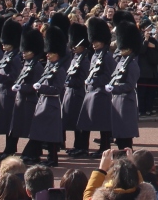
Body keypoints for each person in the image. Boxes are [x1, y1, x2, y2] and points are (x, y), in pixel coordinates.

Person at [21, 20, 68, 167]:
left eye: (51, 53)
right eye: (47, 52)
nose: (48, 55)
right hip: (43, 103)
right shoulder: (49, 67)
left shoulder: (59, 70)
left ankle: (53, 158)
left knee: (52, 135)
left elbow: (57, 89)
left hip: (52, 103)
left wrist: (40, 88)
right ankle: (35, 155)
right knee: (40, 132)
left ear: (58, 54)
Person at [77, 16, 114, 159]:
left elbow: (109, 76)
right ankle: (83, 147)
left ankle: (104, 148)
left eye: (97, 41)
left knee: (103, 125)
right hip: (92, 92)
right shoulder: (95, 55)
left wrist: (94, 80)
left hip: (102, 93)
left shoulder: (107, 56)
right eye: (93, 41)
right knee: (86, 122)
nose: (94, 44)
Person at [10, 27, 46, 161]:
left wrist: (22, 87)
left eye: (27, 51)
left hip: (29, 101)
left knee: (32, 130)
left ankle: (33, 153)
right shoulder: (27, 63)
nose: (23, 53)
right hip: (22, 100)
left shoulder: (36, 66)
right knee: (20, 129)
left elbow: (35, 85)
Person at [0, 18, 25, 161]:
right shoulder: (6, 55)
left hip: (10, 94)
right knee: (2, 123)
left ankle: (10, 149)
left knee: (10, 125)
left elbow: (14, 76)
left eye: (6, 42)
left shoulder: (16, 57)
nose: (3, 45)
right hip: (2, 93)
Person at [108, 19, 142, 150]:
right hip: (117, 99)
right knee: (119, 133)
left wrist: (115, 88)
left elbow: (130, 85)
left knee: (126, 133)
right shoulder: (122, 61)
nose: (121, 50)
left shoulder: (132, 64)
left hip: (126, 100)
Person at [61, 23, 92, 159]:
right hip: (72, 94)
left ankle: (83, 147)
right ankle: (77, 146)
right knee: (74, 123)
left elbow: (83, 79)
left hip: (79, 94)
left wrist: (68, 82)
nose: (74, 48)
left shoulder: (84, 60)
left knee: (81, 124)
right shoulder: (76, 57)